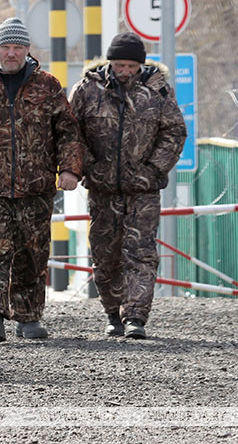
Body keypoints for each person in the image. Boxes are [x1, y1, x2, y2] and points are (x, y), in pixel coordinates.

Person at [0, 18, 84, 343]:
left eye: (17, 47)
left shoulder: (48, 86)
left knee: (32, 253)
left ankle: (28, 316)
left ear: (27, 50)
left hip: (36, 188)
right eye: (5, 47)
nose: (11, 53)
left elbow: (68, 132)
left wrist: (70, 169)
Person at [69, 31, 186, 339]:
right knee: (106, 255)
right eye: (119, 66)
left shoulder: (157, 92)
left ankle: (135, 316)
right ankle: (112, 313)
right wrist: (90, 167)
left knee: (141, 253)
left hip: (143, 190)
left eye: (131, 67)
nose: (124, 72)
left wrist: (153, 169)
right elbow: (71, 133)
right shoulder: (88, 90)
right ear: (110, 63)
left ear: (140, 65)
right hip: (102, 189)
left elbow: (174, 132)